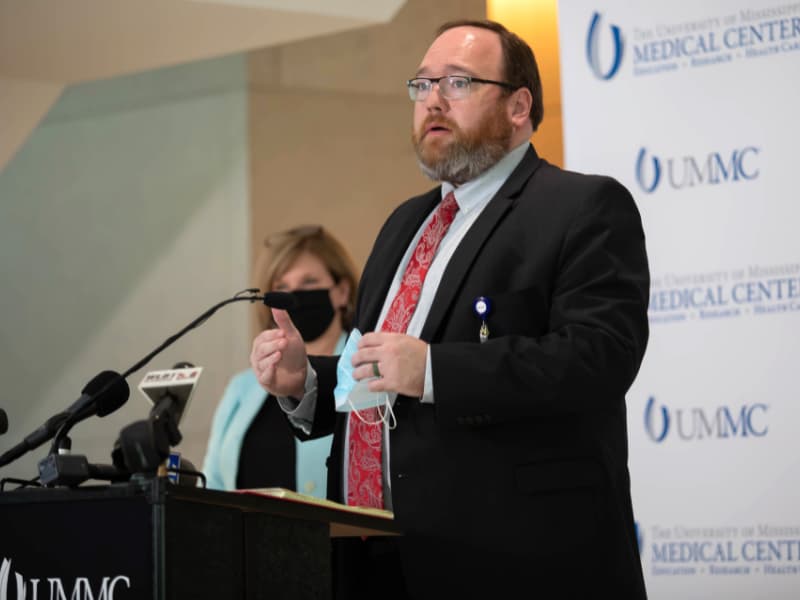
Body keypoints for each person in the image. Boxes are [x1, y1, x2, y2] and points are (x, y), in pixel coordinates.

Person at [250, 19, 649, 599]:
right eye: (421, 85)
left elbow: (599, 358)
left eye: (458, 82)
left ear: (519, 106)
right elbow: (380, 369)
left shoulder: (581, 206)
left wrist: (435, 371)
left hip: (513, 561)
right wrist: (306, 380)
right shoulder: (405, 223)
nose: (432, 100)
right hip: (376, 555)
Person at [202, 225, 358, 496]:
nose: (296, 295)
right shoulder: (242, 388)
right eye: (282, 288)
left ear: (342, 292)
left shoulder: (363, 371)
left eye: (309, 282)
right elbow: (213, 484)